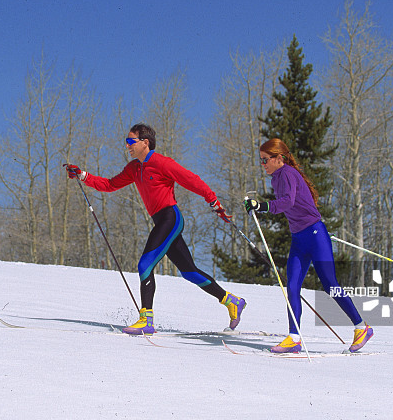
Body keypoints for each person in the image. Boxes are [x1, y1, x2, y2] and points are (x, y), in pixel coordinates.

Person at [65, 123, 246, 335]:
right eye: (127, 142)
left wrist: (214, 202)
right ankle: (231, 301)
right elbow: (110, 184)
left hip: (170, 218)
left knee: (145, 265)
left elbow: (192, 180)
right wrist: (83, 175)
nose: (128, 146)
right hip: (160, 221)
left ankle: (146, 319)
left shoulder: (161, 163)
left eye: (131, 141)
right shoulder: (134, 168)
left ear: (145, 142)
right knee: (189, 272)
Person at [243, 138, 373, 354]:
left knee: (330, 285)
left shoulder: (287, 173)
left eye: (265, 159)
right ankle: (294, 337)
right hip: (299, 239)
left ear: (278, 158)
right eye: (261, 160)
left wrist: (262, 205)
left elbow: (287, 202)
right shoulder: (276, 178)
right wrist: (260, 206)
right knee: (292, 287)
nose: (263, 164)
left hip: (315, 234)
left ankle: (362, 327)